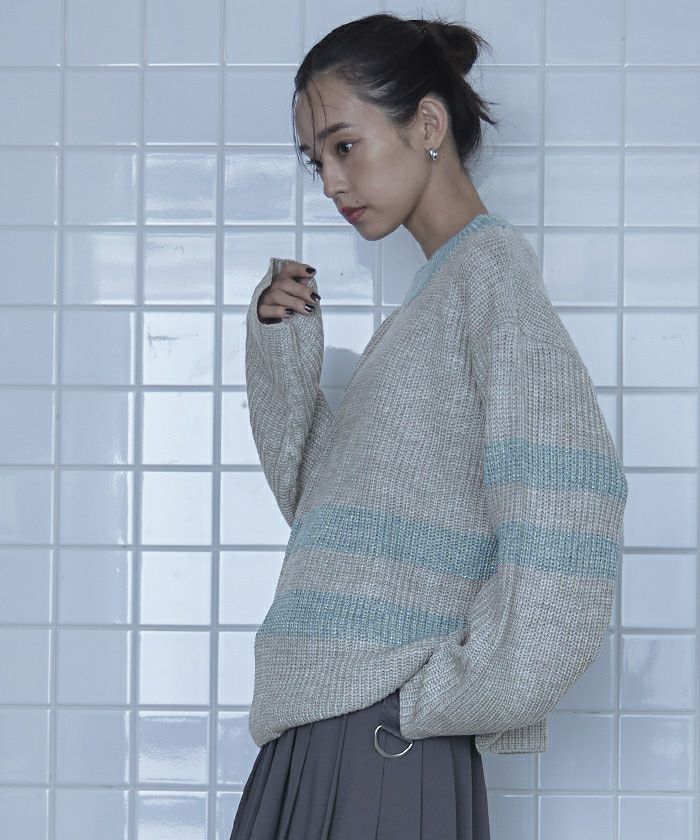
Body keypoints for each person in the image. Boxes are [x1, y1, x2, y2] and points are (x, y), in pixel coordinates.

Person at [230, 12, 628, 840]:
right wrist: (282, 353)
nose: (332, 183)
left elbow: (570, 521)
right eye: (316, 161)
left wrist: (440, 699)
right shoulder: (433, 303)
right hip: (331, 729)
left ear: (429, 124)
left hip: (379, 742)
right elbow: (325, 513)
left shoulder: (491, 285)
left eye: (345, 146)